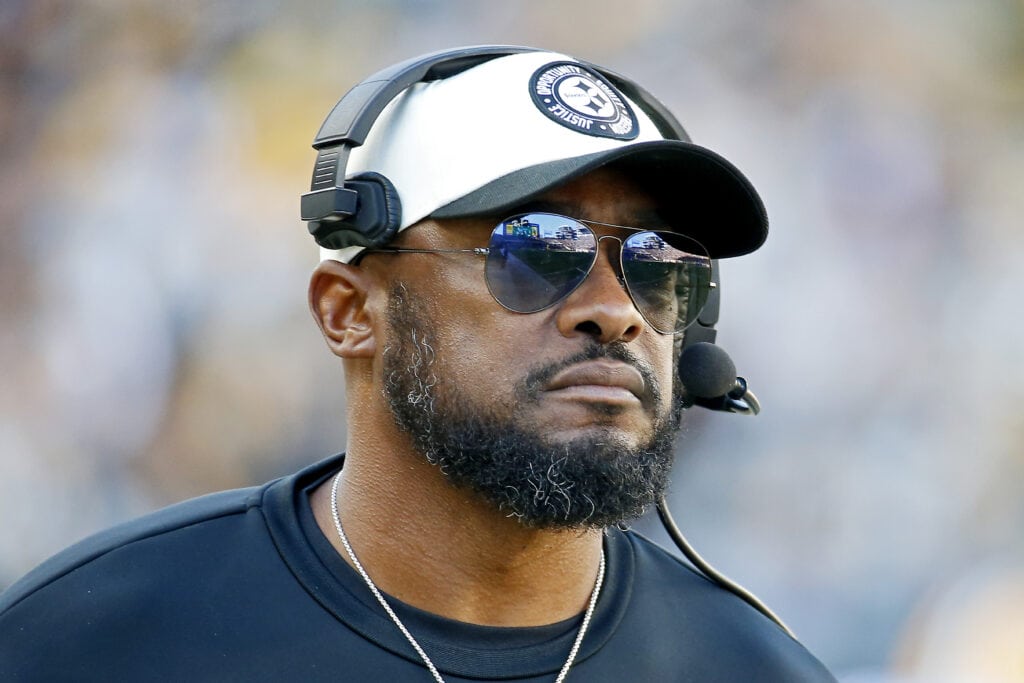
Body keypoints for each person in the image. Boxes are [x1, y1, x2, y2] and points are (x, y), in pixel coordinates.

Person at [0, 46, 836, 681]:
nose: (614, 309)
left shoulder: (754, 667)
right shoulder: (90, 638)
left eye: (656, 260)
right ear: (350, 312)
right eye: (535, 247)